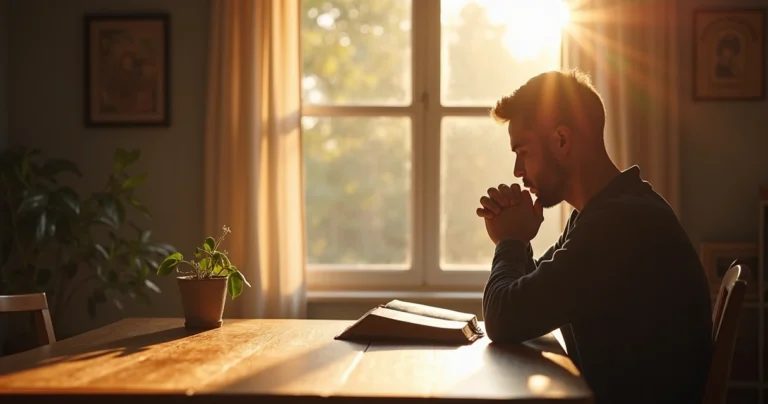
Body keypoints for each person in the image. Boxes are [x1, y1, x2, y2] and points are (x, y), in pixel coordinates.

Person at [476, 69, 713, 404]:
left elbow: (503, 318)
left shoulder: (621, 224)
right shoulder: (600, 215)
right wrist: (519, 238)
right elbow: (531, 295)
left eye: (523, 151)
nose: (517, 170)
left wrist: (510, 241)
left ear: (561, 140)